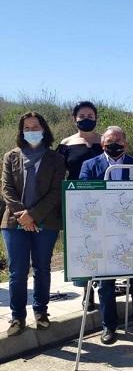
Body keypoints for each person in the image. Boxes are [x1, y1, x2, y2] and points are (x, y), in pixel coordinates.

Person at [79, 126, 133, 344]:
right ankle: (109, 326)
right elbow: (84, 196)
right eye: (109, 142)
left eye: (118, 141)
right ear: (102, 144)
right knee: (106, 283)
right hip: (103, 232)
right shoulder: (89, 165)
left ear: (126, 143)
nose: (114, 146)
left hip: (132, 232)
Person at [1, 112, 65, 336]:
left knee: (42, 268)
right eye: (26, 127)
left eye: (35, 126)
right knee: (17, 272)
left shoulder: (56, 159)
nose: (31, 130)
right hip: (13, 222)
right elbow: (6, 189)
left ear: (44, 129)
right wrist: (22, 215)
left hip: (46, 222)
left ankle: (41, 312)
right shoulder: (11, 156)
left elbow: (56, 191)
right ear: (21, 131)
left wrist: (34, 215)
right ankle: (17, 317)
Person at [56, 101, 103, 311]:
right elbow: (57, 175)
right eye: (82, 115)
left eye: (90, 116)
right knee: (85, 249)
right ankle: (88, 292)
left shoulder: (106, 141)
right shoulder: (66, 144)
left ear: (96, 118)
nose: (86, 119)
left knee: (105, 246)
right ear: (74, 118)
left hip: (105, 204)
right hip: (79, 205)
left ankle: (106, 289)